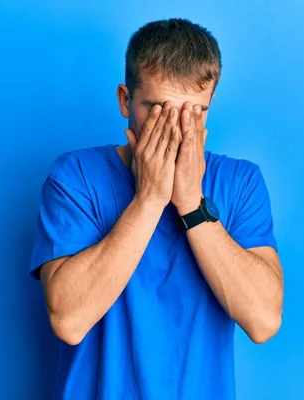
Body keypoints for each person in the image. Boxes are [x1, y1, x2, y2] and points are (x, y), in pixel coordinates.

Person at [29, 18, 284, 400]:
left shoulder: (240, 182)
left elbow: (264, 321)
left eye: (194, 112)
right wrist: (149, 199)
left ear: (210, 105)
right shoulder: (76, 177)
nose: (178, 130)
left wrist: (191, 204)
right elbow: (69, 319)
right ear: (124, 100)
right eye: (160, 109)